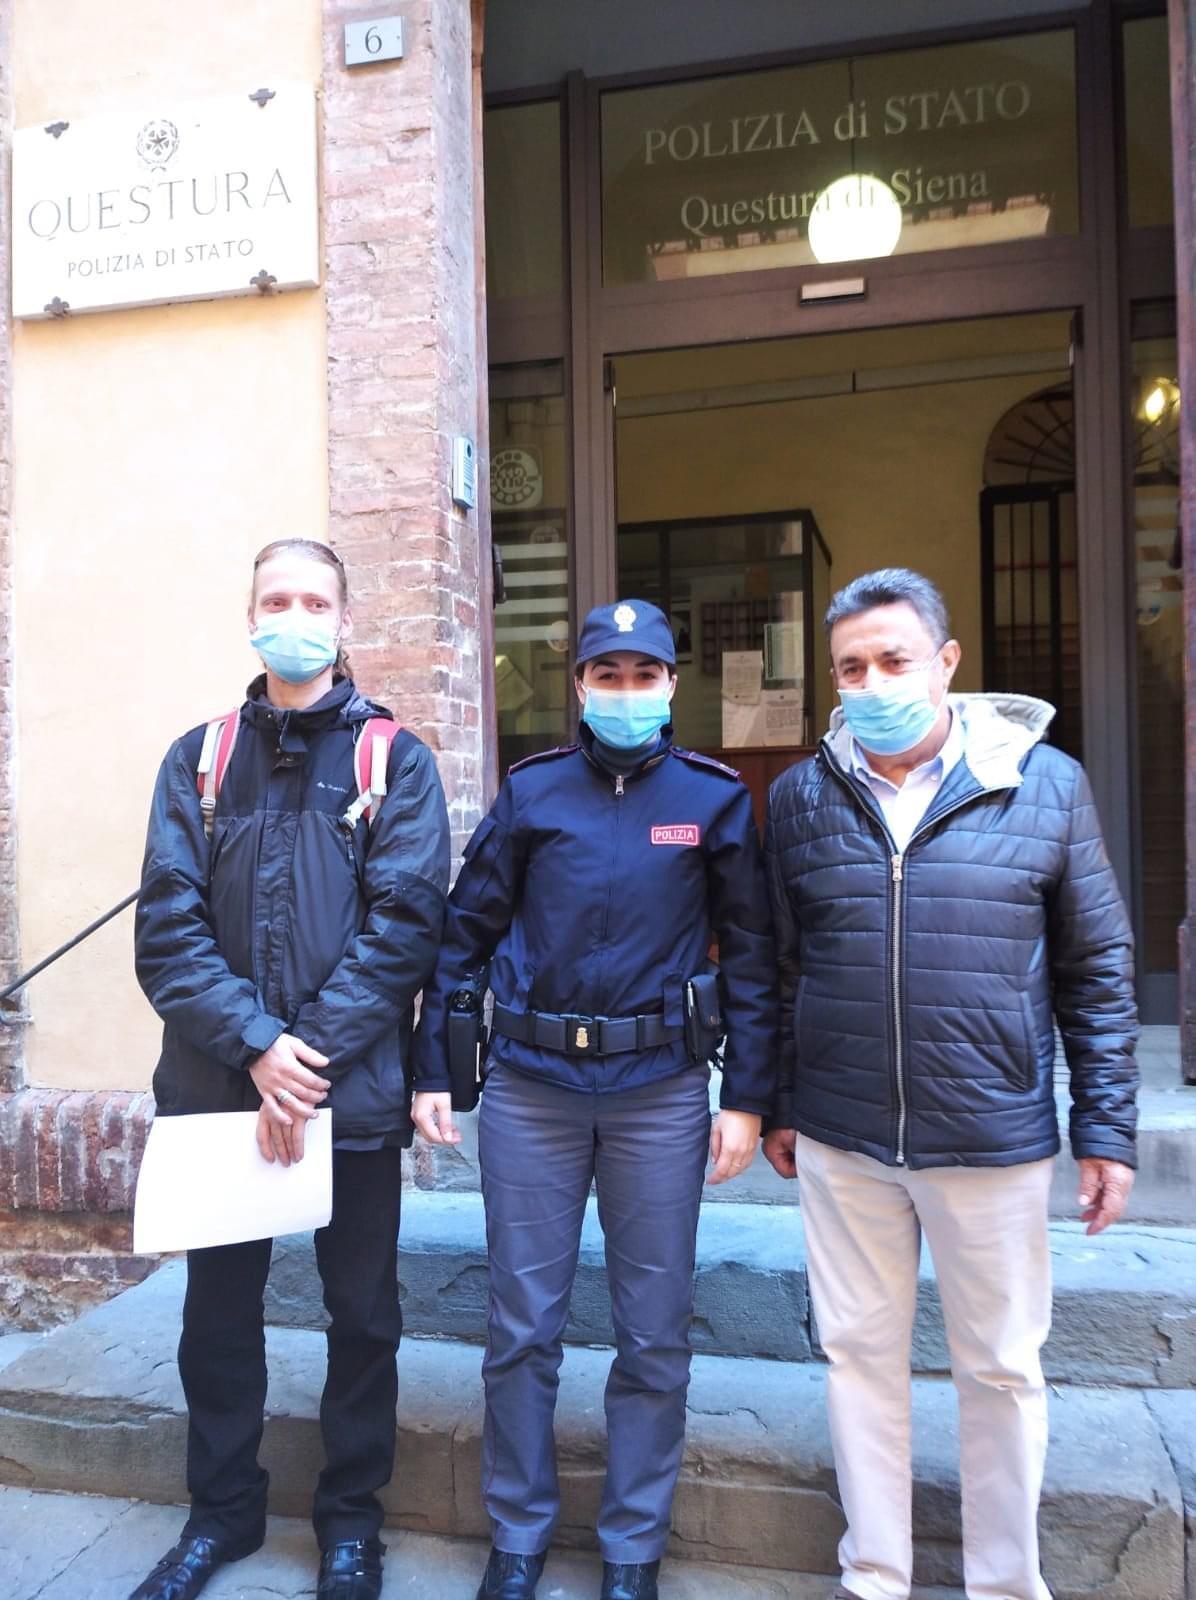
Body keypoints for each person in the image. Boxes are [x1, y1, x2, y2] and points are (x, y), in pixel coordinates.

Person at [762, 568, 1139, 1600]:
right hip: (844, 1135)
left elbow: (1096, 966)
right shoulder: (800, 797)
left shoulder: (1043, 784)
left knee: (1001, 1369)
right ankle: (874, 1573)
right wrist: (783, 1101)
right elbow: (782, 966)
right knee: (857, 1359)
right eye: (850, 668)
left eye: (893, 659)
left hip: (990, 1134)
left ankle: (1004, 1584)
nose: (871, 682)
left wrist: (1105, 1127)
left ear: (946, 662)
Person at [412, 599, 778, 1600]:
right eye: (606, 675)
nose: (625, 692)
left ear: (671, 684)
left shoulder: (712, 799)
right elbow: (463, 935)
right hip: (533, 1092)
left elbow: (753, 954)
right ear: (578, 685)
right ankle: (518, 1535)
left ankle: (631, 1551)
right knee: (520, 1328)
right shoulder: (533, 793)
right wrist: (435, 1069)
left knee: (653, 1335)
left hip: (658, 1092)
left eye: (642, 675)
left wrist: (746, 1095)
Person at [130, 538, 451, 1600]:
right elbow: (167, 930)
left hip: (345, 1096)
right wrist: (258, 1047)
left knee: (362, 1319)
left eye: (316, 601)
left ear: (345, 620)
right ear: (251, 617)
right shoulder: (198, 759)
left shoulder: (393, 761)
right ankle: (220, 1514)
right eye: (278, 600)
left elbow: (406, 927)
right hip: (220, 1090)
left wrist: (302, 1060)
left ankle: (350, 1523)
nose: (296, 617)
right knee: (217, 1320)